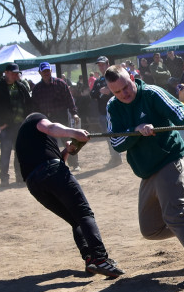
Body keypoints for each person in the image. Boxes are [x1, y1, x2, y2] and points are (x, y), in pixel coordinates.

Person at [105, 67, 184, 289]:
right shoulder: (112, 107)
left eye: (126, 87)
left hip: (170, 159)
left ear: (132, 78)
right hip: (146, 171)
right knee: (150, 229)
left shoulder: (151, 93)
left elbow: (177, 109)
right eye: (117, 92)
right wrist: (135, 131)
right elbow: (116, 143)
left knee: (176, 216)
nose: (124, 94)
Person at [15, 112, 124, 278]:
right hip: (51, 172)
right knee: (84, 214)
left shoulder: (28, 140)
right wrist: (74, 132)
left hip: (34, 184)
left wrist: (66, 150)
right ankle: (101, 259)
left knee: (75, 221)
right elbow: (50, 128)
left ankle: (90, 259)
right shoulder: (34, 118)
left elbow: (53, 161)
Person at [0, 62, 33, 186]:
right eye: (13, 73)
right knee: (6, 152)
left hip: (20, 125)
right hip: (6, 126)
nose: (15, 75)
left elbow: (29, 104)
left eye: (16, 73)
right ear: (6, 73)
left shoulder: (21, 87)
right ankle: (4, 178)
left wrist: (28, 121)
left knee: (20, 153)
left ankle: (19, 177)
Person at [31, 61, 80, 170]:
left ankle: (75, 164)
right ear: (40, 72)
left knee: (68, 140)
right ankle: (55, 165)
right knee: (49, 144)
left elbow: (70, 100)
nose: (46, 73)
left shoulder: (61, 84)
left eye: (48, 70)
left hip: (61, 117)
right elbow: (34, 107)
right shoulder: (37, 89)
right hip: (46, 120)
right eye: (44, 71)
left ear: (51, 71)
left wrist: (74, 113)